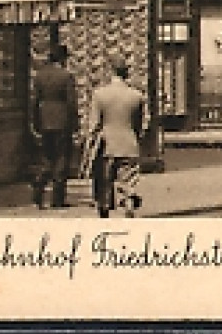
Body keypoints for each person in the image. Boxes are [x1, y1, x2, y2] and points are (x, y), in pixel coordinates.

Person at [87, 53, 147, 219]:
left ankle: (105, 206)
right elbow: (140, 126)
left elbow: (94, 125)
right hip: (129, 144)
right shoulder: (137, 96)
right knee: (127, 180)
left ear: (110, 71)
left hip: (106, 145)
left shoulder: (100, 95)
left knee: (105, 179)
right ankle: (128, 201)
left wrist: (90, 144)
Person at [30, 42, 78, 209]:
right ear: (63, 58)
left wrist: (35, 122)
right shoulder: (66, 76)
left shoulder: (39, 76)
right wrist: (75, 124)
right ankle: (57, 198)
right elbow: (71, 103)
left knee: (47, 156)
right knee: (62, 158)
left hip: (45, 120)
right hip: (62, 120)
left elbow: (34, 101)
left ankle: (39, 184)